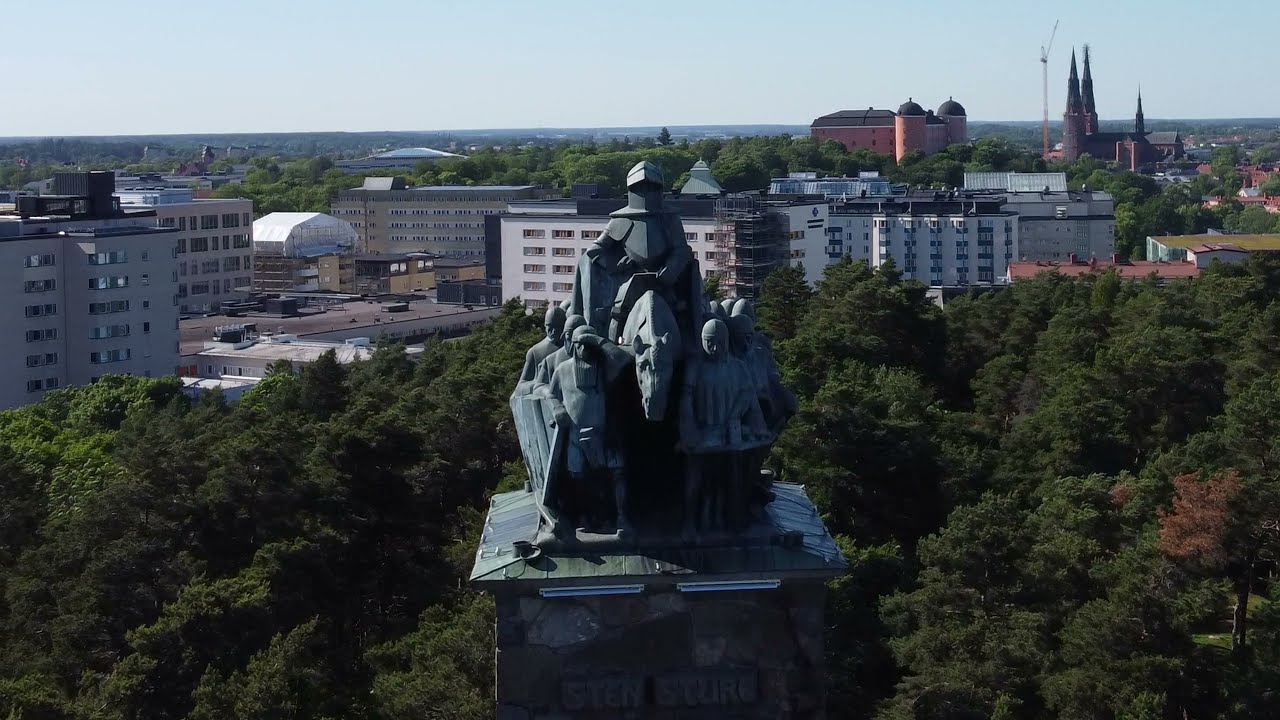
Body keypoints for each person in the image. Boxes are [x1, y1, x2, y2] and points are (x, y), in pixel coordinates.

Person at [678, 319, 767, 535]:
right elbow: (686, 400)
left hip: (729, 437)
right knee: (695, 481)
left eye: (718, 342)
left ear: (726, 341)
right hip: (701, 434)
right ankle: (691, 520)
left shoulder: (738, 367)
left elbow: (748, 397)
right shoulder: (695, 367)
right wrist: (690, 431)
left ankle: (719, 517)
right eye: (709, 342)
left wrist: (741, 423)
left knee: (723, 482)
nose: (714, 348)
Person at [547, 326, 631, 535]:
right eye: (580, 345)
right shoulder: (563, 370)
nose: (584, 349)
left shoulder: (604, 369)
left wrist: (598, 340)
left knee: (614, 475)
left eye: (588, 345)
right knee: (579, 478)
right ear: (573, 347)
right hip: (576, 436)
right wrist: (557, 408)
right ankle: (586, 516)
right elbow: (551, 394)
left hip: (604, 435)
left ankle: (620, 516)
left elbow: (624, 360)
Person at [512, 304, 567, 398]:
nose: (553, 332)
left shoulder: (570, 348)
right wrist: (539, 383)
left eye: (557, 327)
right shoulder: (535, 351)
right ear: (545, 326)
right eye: (549, 327)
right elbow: (520, 387)